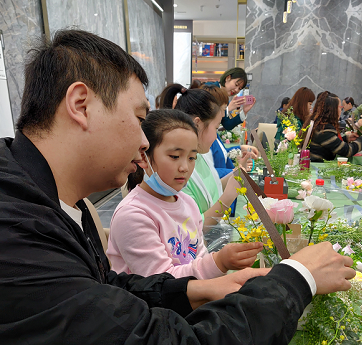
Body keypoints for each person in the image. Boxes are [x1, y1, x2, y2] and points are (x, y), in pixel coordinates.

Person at [0, 29, 356, 344]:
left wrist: (195, 289)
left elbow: (103, 288)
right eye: (139, 118)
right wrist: (296, 279)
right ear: (80, 104)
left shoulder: (38, 190)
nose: (145, 142)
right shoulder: (1, 228)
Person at [107, 109, 262, 279]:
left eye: (191, 158)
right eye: (174, 156)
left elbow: (199, 255)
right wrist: (220, 262)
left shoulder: (187, 202)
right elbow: (161, 285)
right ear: (144, 157)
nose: (185, 168)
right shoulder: (133, 215)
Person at [173, 88, 246, 227]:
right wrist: (228, 196)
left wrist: (235, 175)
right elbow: (193, 227)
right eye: (216, 128)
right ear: (197, 124)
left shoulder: (201, 155)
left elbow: (213, 184)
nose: (216, 136)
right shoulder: (178, 169)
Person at [201, 83, 258, 178]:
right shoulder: (204, 137)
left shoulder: (212, 131)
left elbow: (220, 153)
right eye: (224, 110)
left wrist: (239, 150)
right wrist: (235, 170)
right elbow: (207, 172)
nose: (224, 115)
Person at [309, 92, 362, 162]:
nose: (341, 110)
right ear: (333, 110)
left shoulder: (321, 125)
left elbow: (331, 144)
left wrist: (346, 138)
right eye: (340, 107)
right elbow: (347, 151)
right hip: (318, 166)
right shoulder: (324, 129)